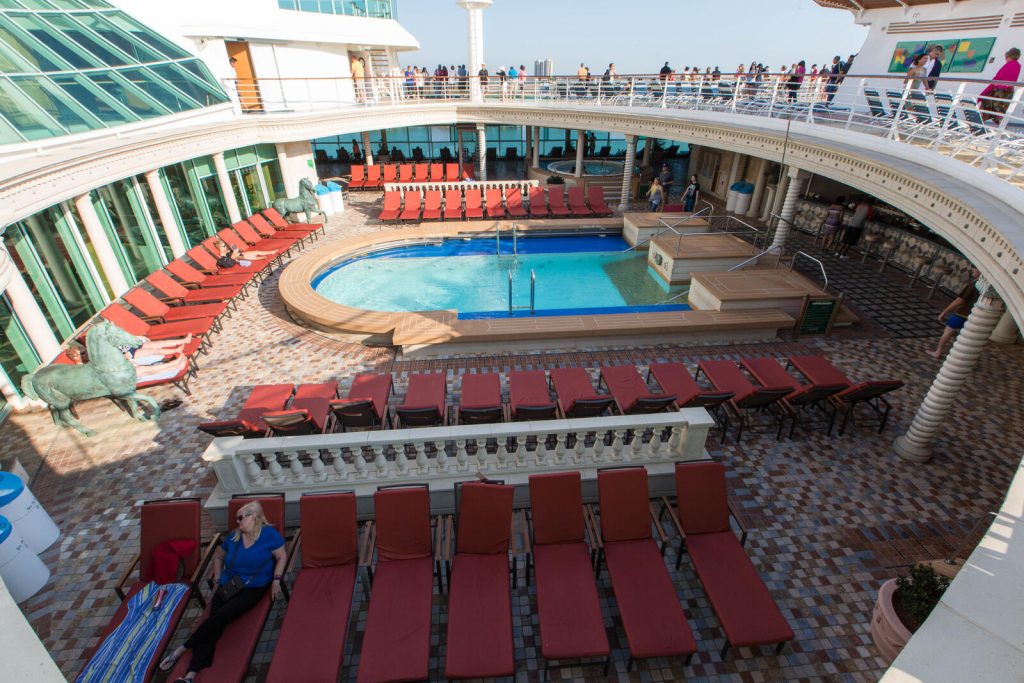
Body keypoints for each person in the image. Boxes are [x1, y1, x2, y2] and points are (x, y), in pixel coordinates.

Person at [159, 501, 285, 682]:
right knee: (215, 623)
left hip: (253, 587)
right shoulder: (234, 537)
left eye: (241, 517)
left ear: (254, 517)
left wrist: (276, 580)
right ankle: (191, 675)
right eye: (237, 518)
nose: (238, 521)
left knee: (220, 616)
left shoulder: (269, 535)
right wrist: (218, 578)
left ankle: (183, 648)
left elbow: (281, 556)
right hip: (229, 585)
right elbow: (218, 556)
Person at [929, 268, 981, 359]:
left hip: (963, 313)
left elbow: (959, 300)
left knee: (948, 330)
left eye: (974, 269)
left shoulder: (973, 285)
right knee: (968, 337)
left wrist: (944, 312)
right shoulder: (986, 286)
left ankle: (938, 352)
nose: (972, 271)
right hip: (976, 316)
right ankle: (962, 356)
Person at [980, 47, 1021, 123]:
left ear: (1009, 56)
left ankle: (980, 123)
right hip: (1009, 91)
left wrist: (983, 93)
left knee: (986, 105)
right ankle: (1001, 126)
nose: (1005, 60)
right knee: (1001, 111)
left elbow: (997, 79)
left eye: (1006, 58)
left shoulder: (1008, 65)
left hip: (1000, 91)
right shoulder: (1018, 65)